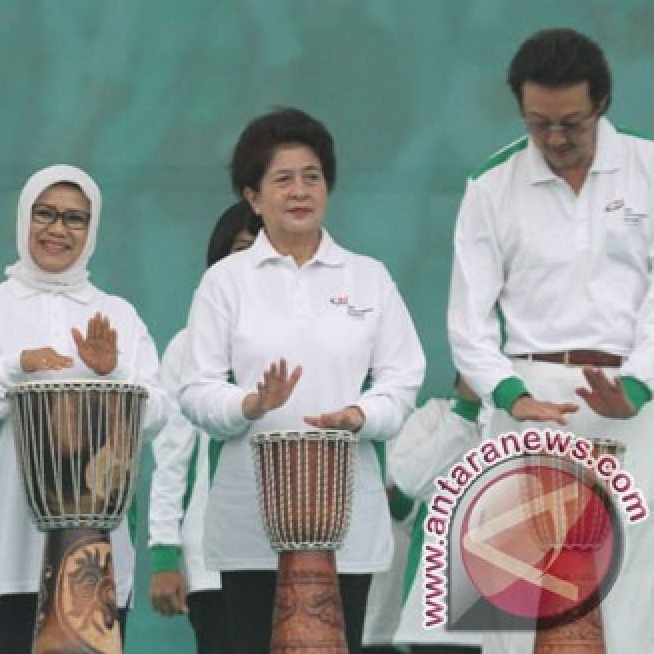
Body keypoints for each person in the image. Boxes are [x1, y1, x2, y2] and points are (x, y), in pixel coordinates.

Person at [179, 108, 425, 652]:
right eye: (282, 179)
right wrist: (249, 403)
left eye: (311, 176)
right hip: (249, 518)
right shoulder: (226, 282)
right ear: (253, 196)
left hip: (349, 519)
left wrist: (361, 416)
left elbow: (403, 378)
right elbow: (196, 390)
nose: (299, 191)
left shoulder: (368, 277)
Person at [447, 27, 654, 651]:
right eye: (539, 125)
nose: (556, 139)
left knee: (632, 605)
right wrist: (510, 394)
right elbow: (468, 322)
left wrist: (639, 386)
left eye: (572, 123)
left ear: (603, 104)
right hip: (529, 400)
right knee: (511, 610)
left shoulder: (650, 169)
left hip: (630, 400)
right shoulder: (491, 186)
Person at [0, 164, 168, 654]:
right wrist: (13, 366)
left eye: (75, 218)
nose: (58, 229)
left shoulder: (119, 313)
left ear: (92, 228)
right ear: (24, 218)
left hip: (99, 547)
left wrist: (113, 374)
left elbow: (157, 415)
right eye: (45, 214)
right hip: (10, 540)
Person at [147, 201, 256, 654]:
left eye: (261, 250)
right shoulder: (188, 345)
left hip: (293, 556)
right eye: (239, 249)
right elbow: (172, 455)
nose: (248, 262)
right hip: (210, 563)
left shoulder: (310, 340)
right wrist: (165, 553)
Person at [389, 378, 483, 652]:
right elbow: (409, 480)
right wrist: (466, 411)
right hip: (435, 613)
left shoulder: (524, 420)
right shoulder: (435, 414)